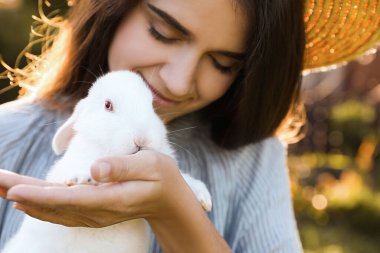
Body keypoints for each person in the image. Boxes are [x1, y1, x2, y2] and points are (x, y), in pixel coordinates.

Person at [0, 0, 379, 252]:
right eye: (163, 33)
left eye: (222, 63)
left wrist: (174, 211)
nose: (179, 82)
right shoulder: (8, 135)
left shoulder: (252, 161)